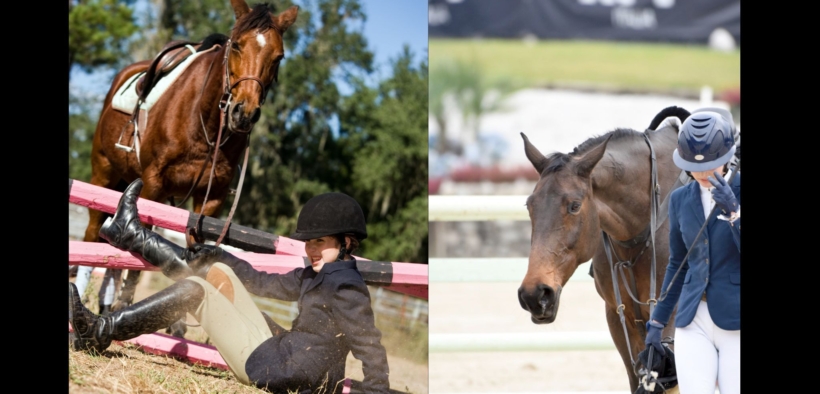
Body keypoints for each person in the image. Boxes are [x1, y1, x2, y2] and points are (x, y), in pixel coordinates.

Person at [69, 178, 391, 393]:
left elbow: (370, 346)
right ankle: (130, 235)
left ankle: (101, 328)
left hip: (278, 372)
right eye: (309, 243)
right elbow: (262, 282)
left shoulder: (347, 286)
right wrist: (219, 254)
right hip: (280, 352)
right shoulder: (317, 274)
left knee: (196, 290)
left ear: (347, 242)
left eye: (320, 242)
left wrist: (376, 388)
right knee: (218, 270)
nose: (311, 250)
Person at [644, 107, 740, 394]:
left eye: (709, 165)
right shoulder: (680, 199)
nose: (700, 173)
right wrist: (658, 321)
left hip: (736, 319)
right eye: (694, 166)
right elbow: (678, 263)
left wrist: (734, 212)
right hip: (692, 318)